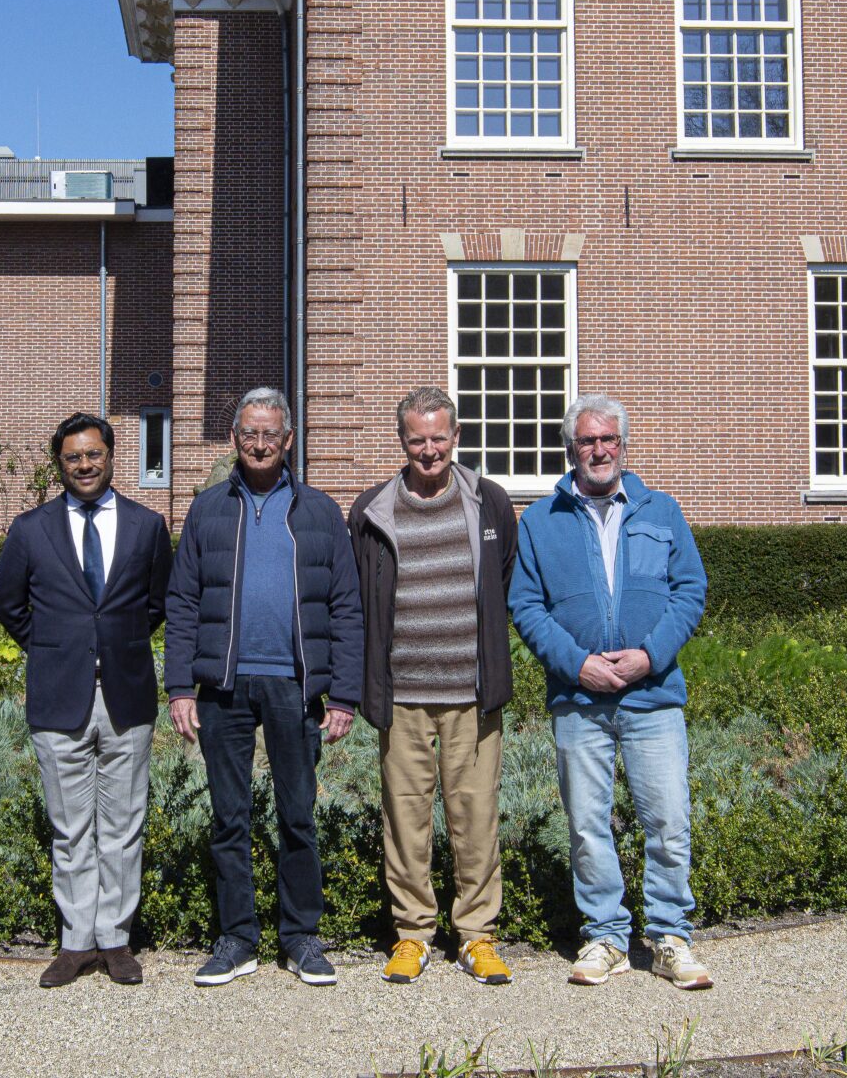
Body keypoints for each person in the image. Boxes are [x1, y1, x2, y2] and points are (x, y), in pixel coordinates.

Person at [508, 394, 713, 990]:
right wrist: (577, 666)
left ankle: (671, 936)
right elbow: (525, 605)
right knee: (587, 824)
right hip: (580, 702)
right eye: (587, 441)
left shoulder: (662, 512)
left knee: (668, 819)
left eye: (609, 440)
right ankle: (605, 937)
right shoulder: (541, 521)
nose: (598, 450)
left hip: (653, 698)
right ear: (571, 448)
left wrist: (651, 656)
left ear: (623, 446)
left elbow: (689, 592)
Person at [164, 386, 364, 988]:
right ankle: (237, 938)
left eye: (269, 434)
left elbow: (347, 606)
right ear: (234, 439)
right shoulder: (206, 510)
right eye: (248, 433)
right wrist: (179, 685)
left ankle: (301, 936)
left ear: (287, 440)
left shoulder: (321, 511)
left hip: (295, 687)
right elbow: (183, 601)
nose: (258, 443)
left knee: (297, 816)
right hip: (223, 686)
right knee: (230, 817)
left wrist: (345, 694)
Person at [0, 413, 172, 988]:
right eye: (73, 458)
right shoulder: (30, 529)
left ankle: (115, 939)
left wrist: (110, 644)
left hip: (126, 695)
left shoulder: (147, 526)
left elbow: (156, 603)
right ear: (60, 465)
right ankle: (75, 942)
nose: (85, 465)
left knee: (123, 823)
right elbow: (9, 605)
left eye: (94, 454)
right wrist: (54, 648)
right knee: (70, 828)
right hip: (58, 694)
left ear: (112, 456)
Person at [348, 387, 518, 987]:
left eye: (438, 438)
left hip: (472, 694)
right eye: (417, 439)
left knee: (475, 816)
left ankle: (477, 934)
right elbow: (361, 602)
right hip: (402, 695)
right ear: (402, 441)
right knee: (405, 818)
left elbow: (500, 581)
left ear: (456, 437)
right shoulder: (371, 511)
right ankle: (413, 933)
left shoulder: (490, 503)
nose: (429, 450)